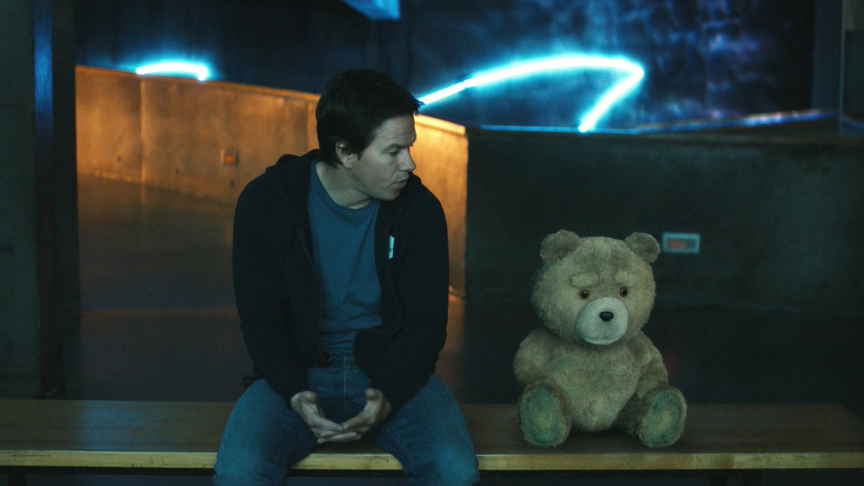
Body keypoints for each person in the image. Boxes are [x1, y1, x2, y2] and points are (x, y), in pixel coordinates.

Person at [213, 69, 479, 486]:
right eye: (393, 151)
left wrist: (388, 394)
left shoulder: (419, 210)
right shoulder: (267, 203)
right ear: (345, 152)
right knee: (240, 471)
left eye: (409, 147)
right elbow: (262, 321)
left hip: (390, 371)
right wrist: (293, 392)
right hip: (297, 373)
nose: (409, 164)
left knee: (454, 469)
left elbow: (426, 327)